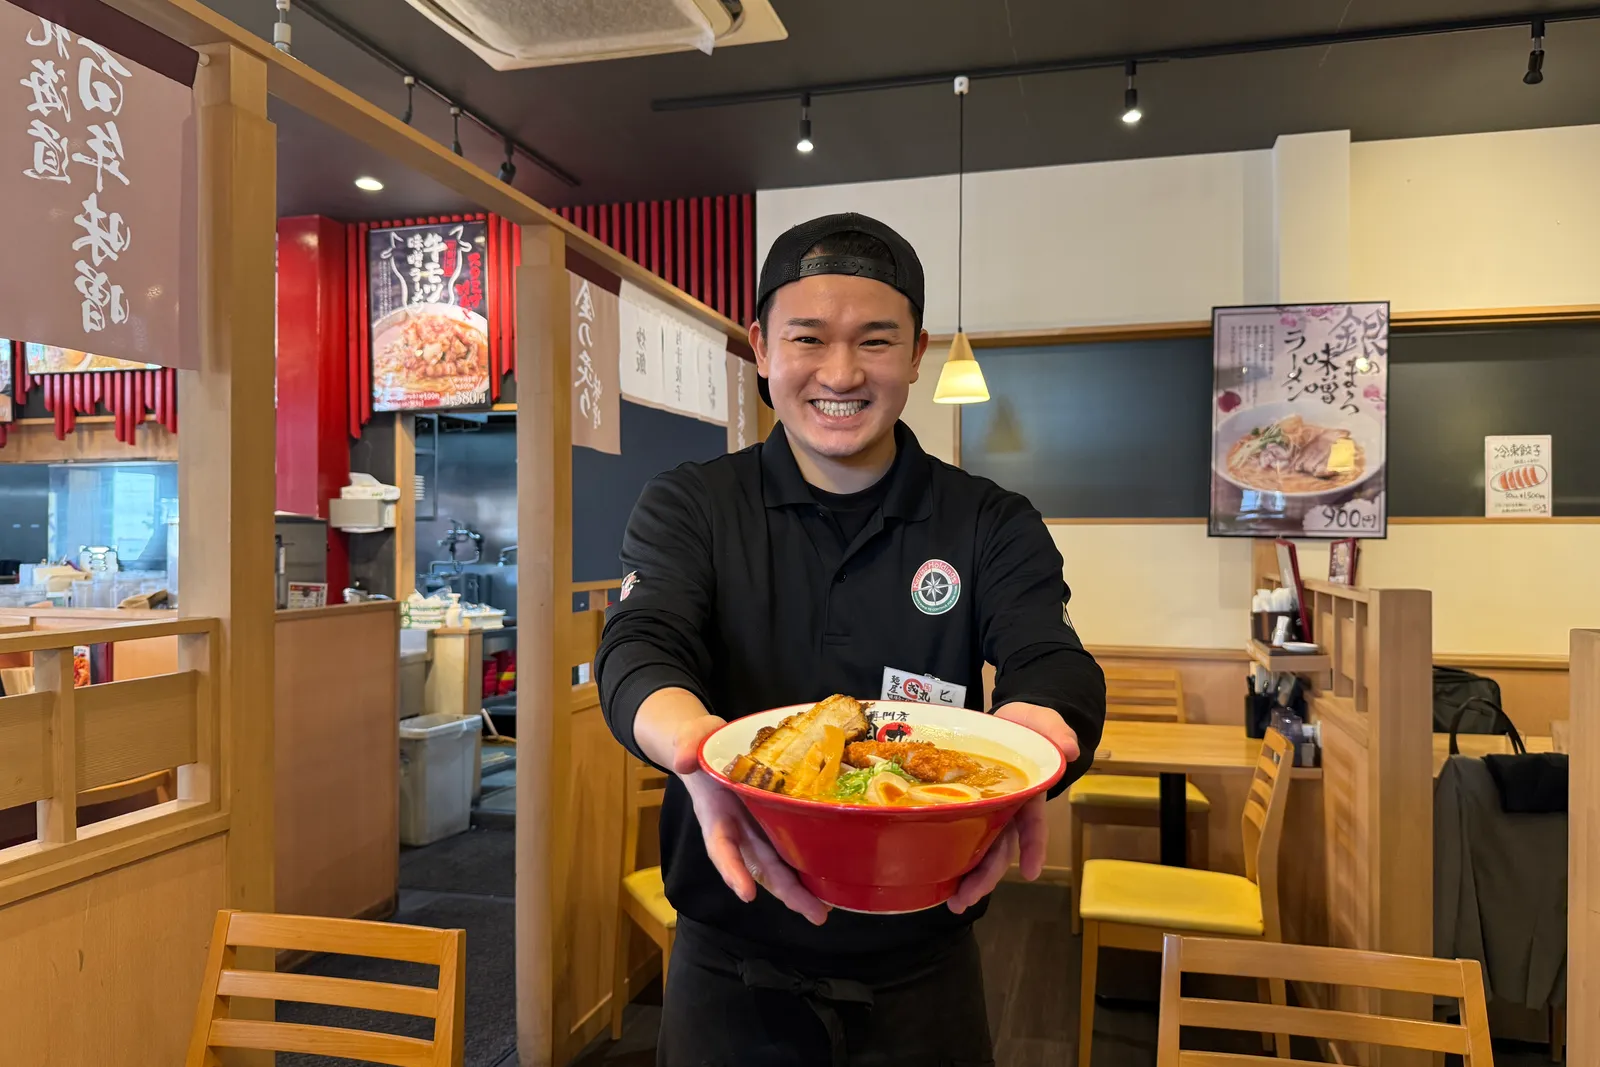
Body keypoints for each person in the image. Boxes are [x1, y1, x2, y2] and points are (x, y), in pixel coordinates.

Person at [596, 212, 1106, 1067]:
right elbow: (640, 644)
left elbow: (1049, 657)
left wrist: (1041, 732)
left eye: (875, 340)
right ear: (761, 347)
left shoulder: (988, 521)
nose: (840, 373)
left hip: (924, 976)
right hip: (729, 975)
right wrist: (696, 753)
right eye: (808, 338)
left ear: (916, 353)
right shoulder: (692, 505)